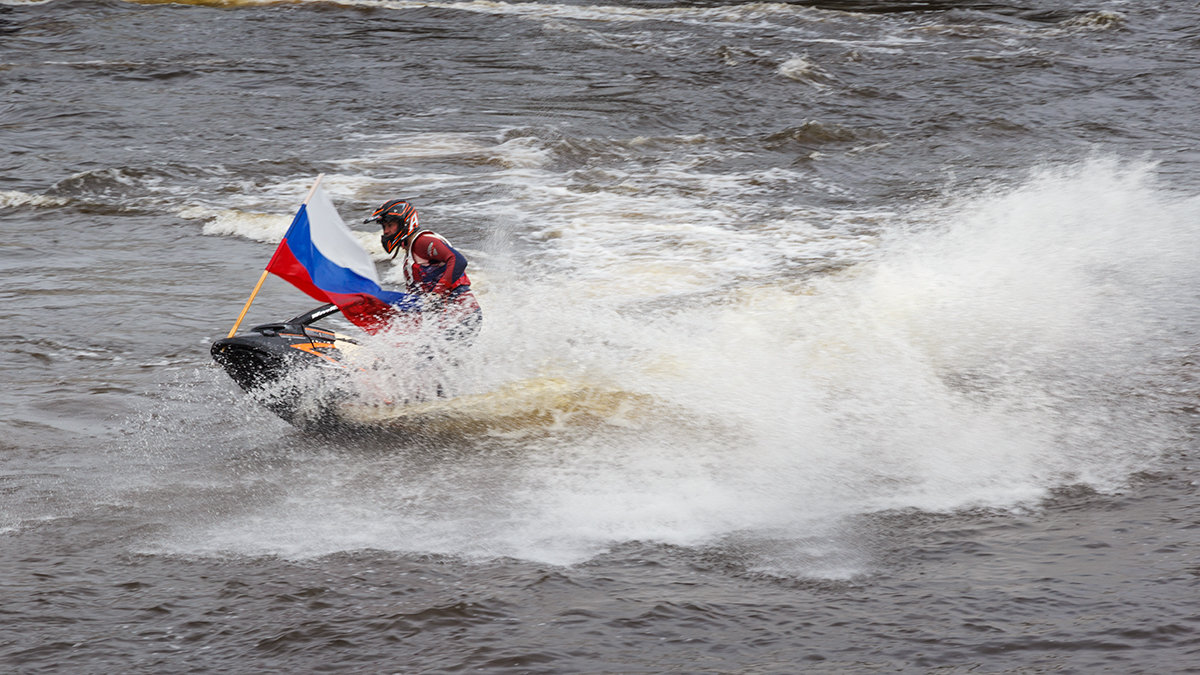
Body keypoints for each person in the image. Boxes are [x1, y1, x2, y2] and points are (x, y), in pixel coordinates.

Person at [364, 198, 482, 343]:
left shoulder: (422, 242)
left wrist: (437, 293)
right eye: (384, 227)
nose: (386, 231)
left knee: (421, 360)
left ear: (404, 223)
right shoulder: (411, 252)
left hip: (463, 318)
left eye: (390, 225)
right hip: (448, 321)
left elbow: (458, 260)